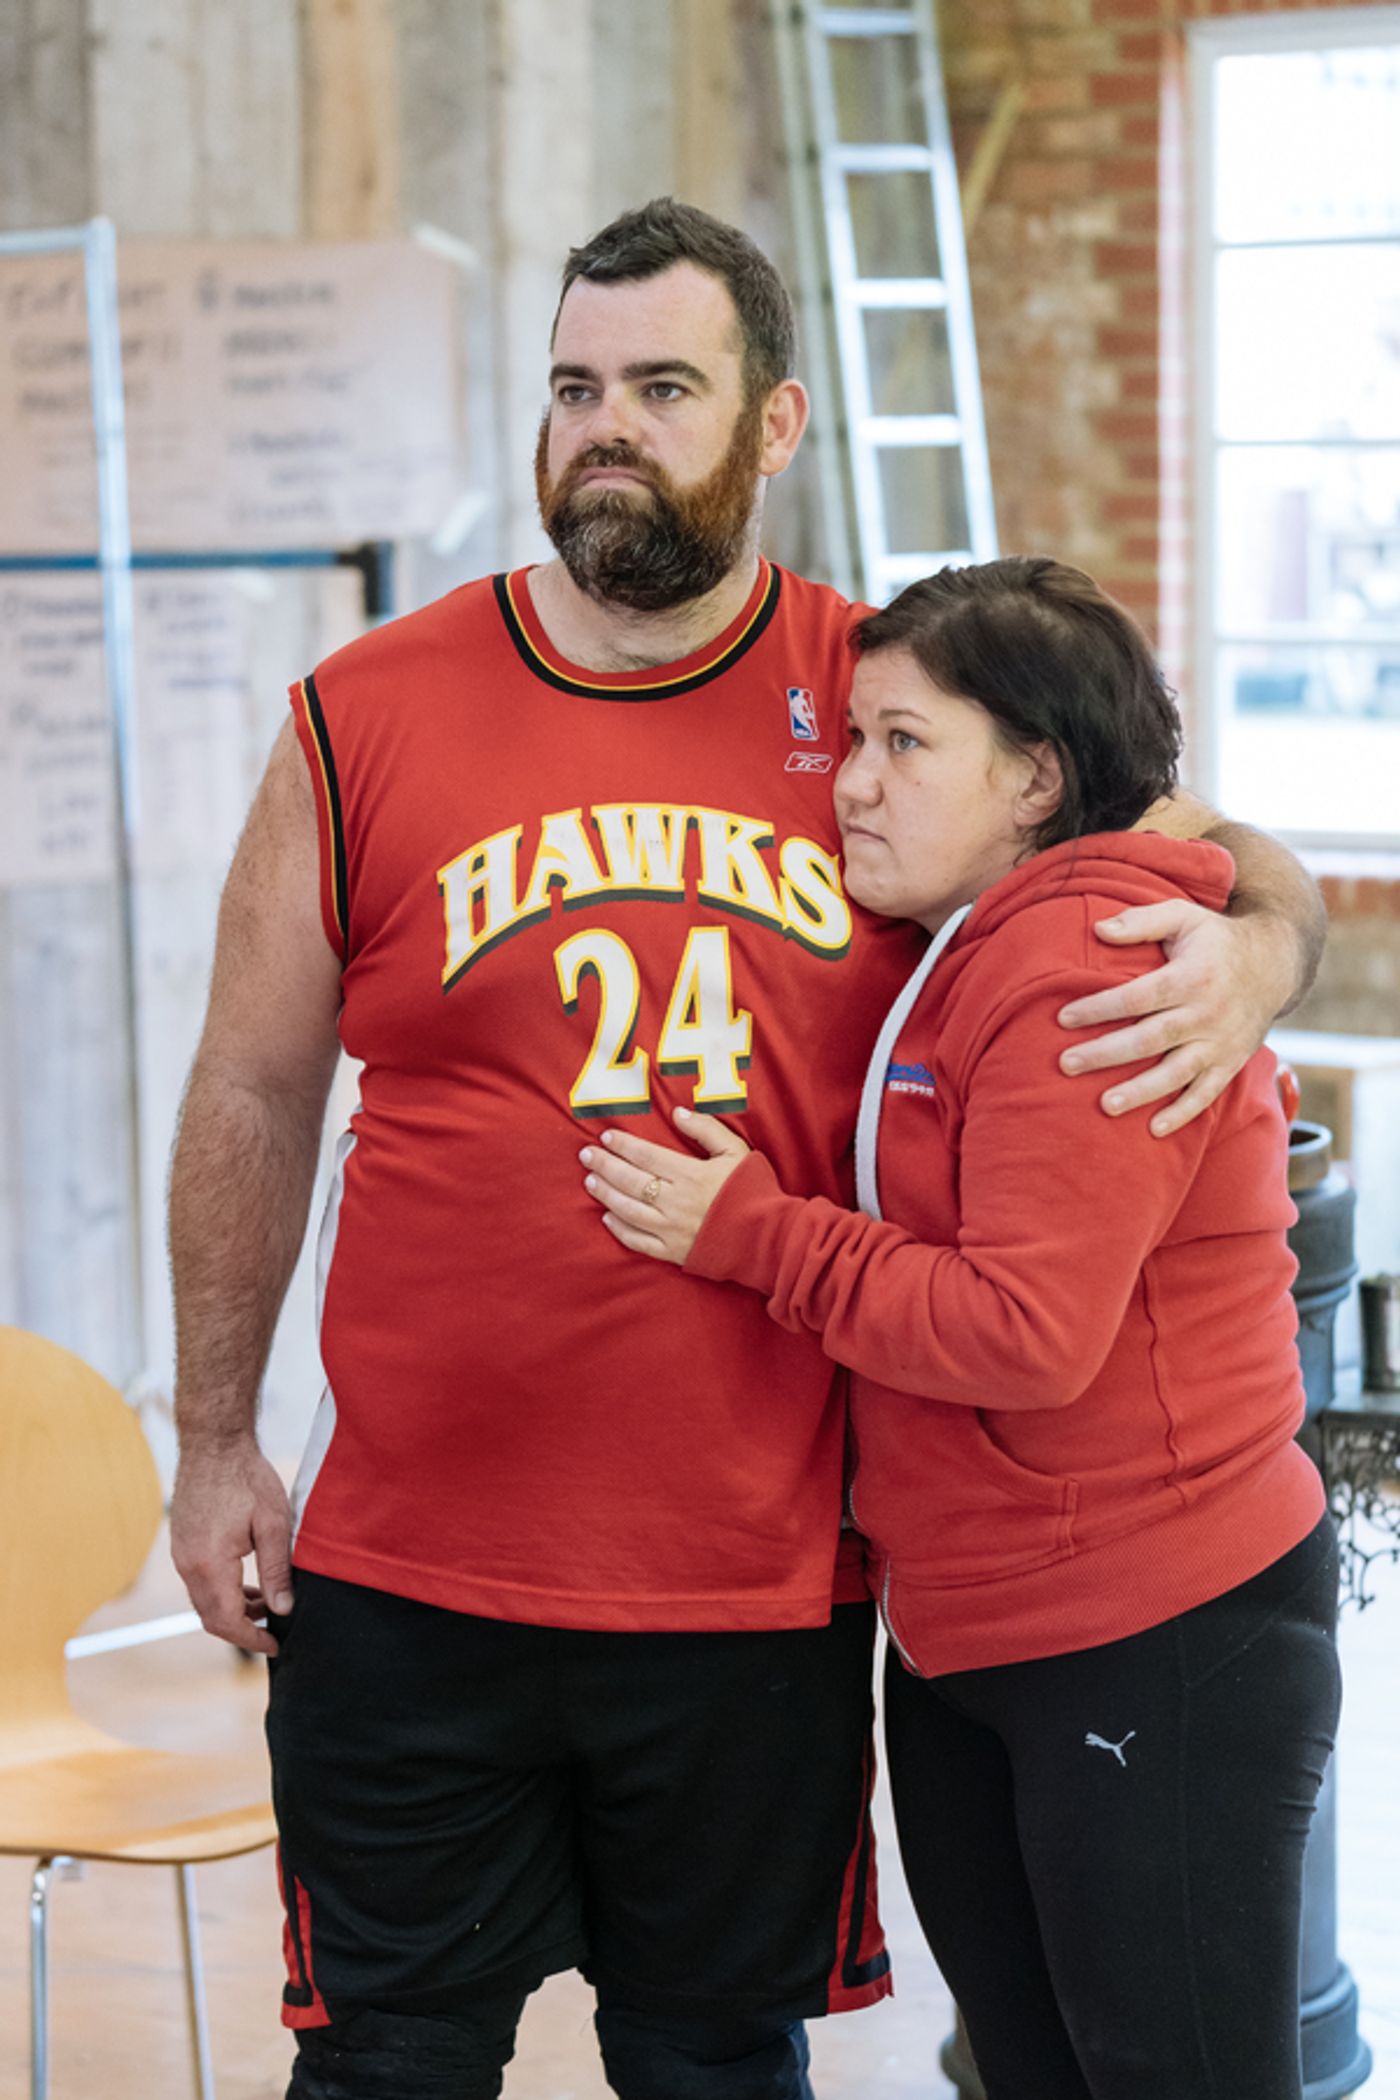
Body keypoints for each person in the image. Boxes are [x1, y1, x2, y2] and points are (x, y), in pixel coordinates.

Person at [167, 200, 1326, 2100]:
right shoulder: (359, 715)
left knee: (717, 2066)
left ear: (776, 425)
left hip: (757, 1581)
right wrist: (215, 1436)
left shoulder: (896, 705)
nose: (604, 426)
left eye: (663, 386)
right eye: (573, 387)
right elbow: (251, 1089)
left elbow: (1203, 840)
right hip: (409, 1570)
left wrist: (1264, 944)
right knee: (385, 2066)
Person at [579, 556, 1340, 2100]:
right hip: (991, 1627)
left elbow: (1024, 1331)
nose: (851, 787)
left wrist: (755, 1236)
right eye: (849, 741)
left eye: (905, 745)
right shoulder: (985, 938)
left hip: (1148, 1625)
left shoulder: (1087, 963)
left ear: (1035, 777)